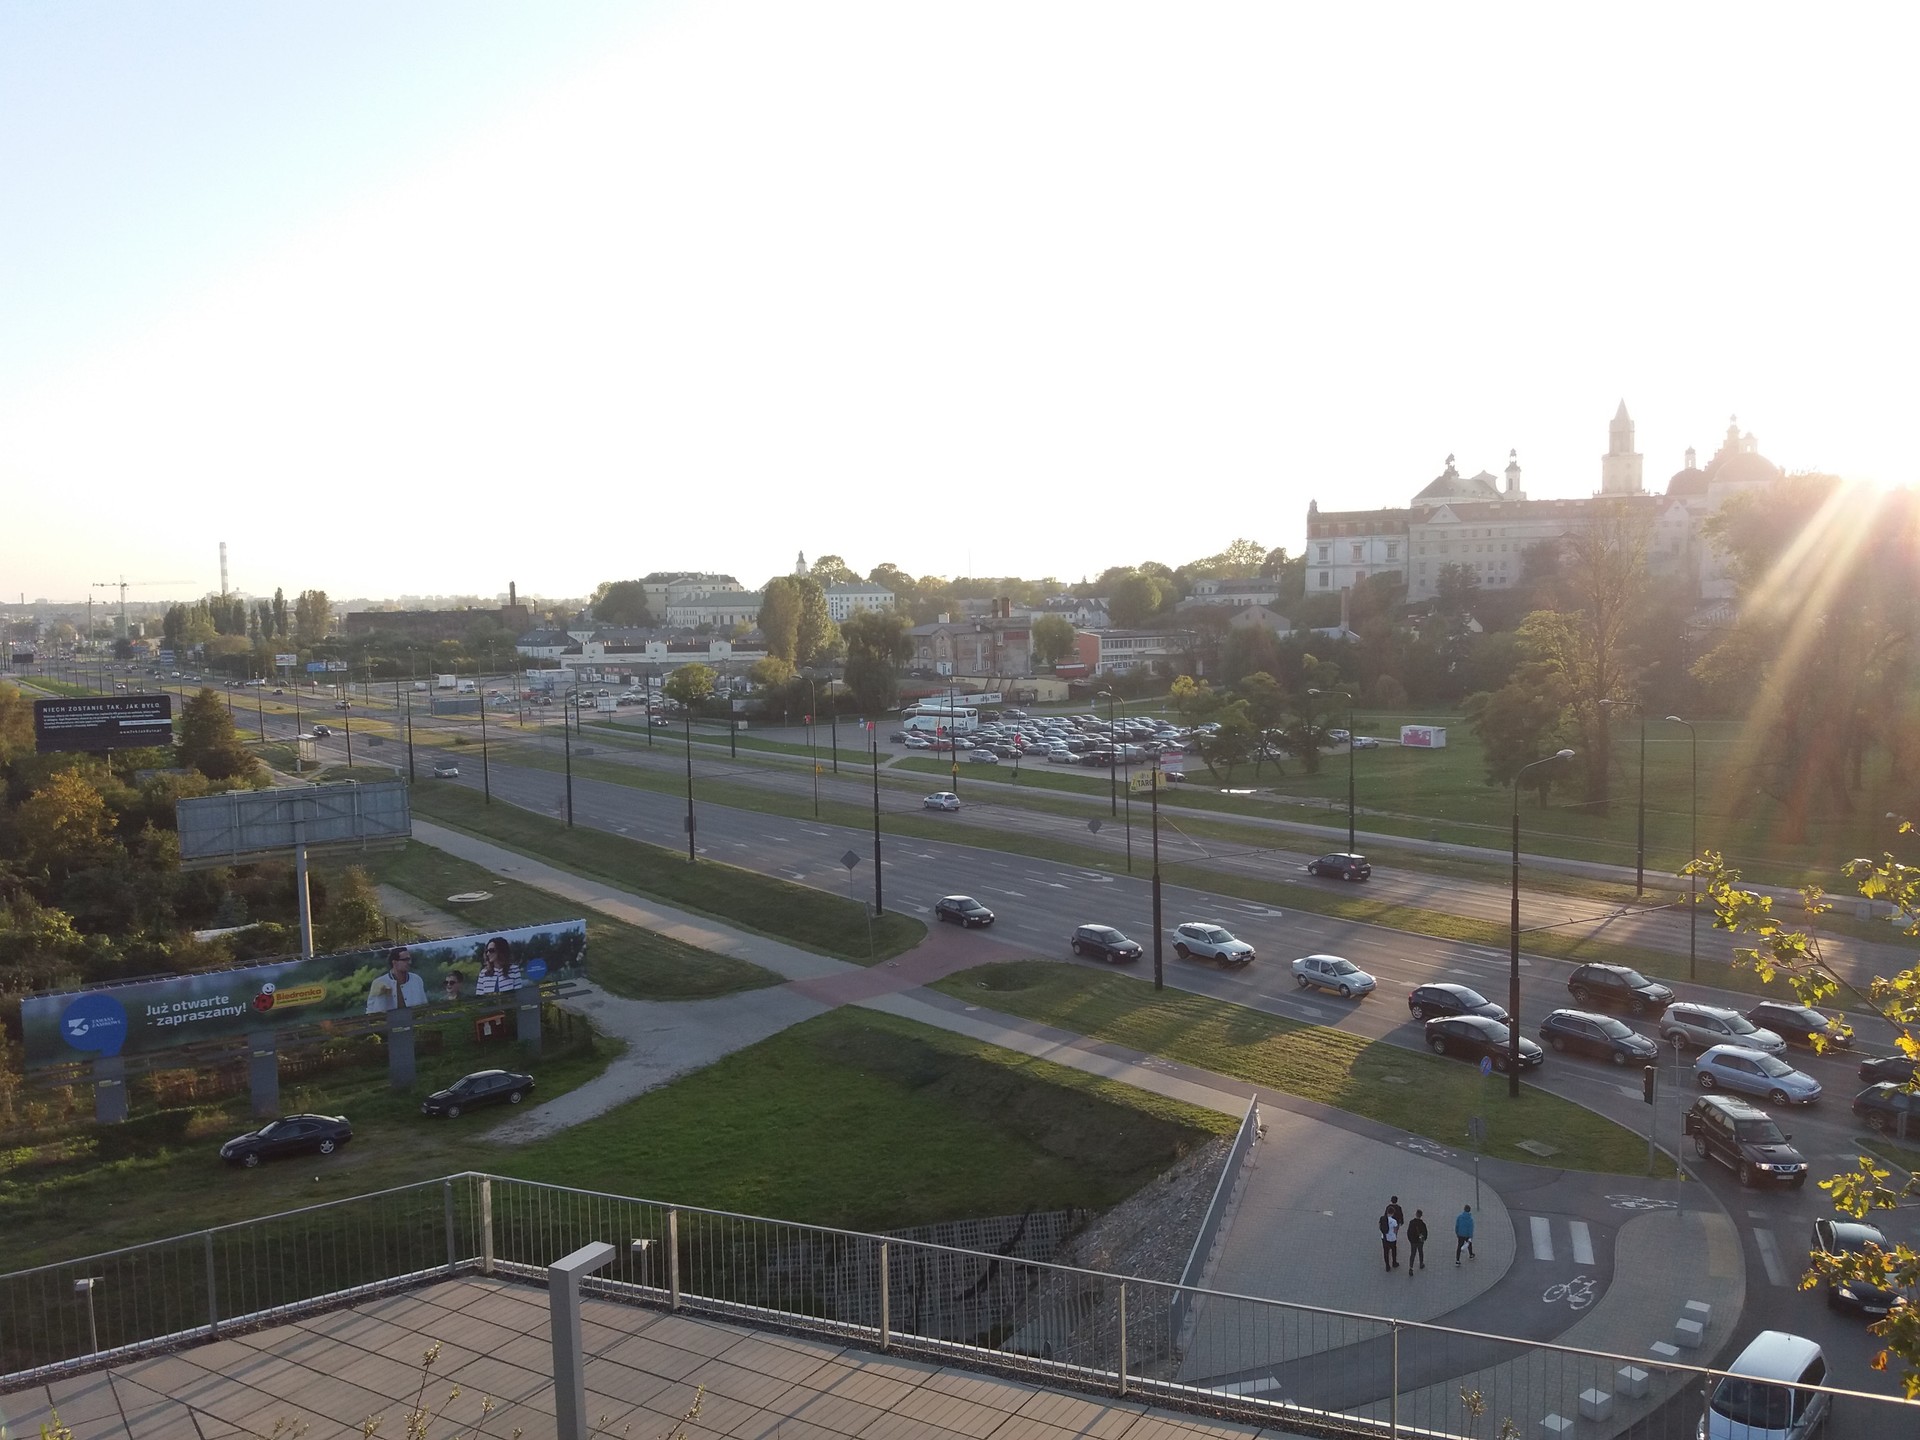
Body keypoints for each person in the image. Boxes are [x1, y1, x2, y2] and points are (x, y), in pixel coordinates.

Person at [366, 946, 427, 1013]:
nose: (409, 962)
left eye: (409, 959)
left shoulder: (416, 979)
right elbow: (370, 1009)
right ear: (394, 962)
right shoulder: (379, 982)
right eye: (405, 960)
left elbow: (424, 1004)